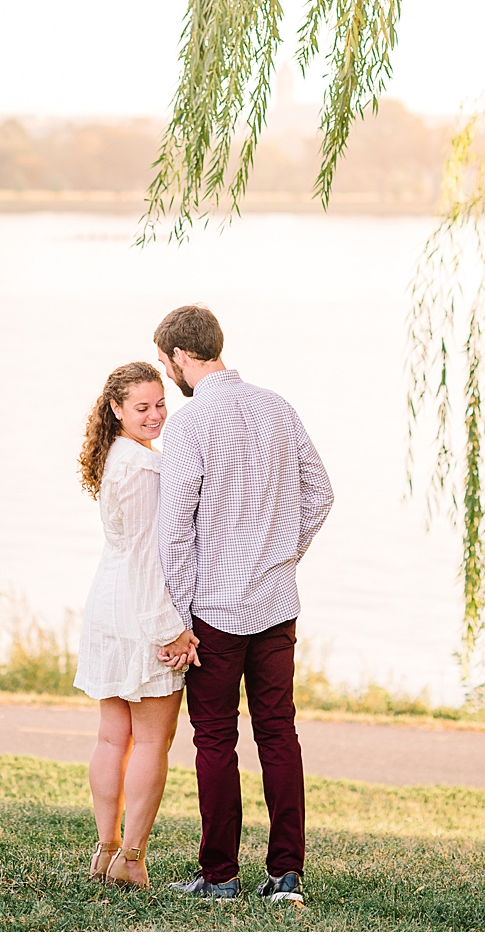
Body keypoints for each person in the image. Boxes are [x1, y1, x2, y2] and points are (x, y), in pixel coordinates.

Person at [153, 303, 333, 903]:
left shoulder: (188, 424)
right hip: (277, 603)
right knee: (279, 733)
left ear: (180, 357)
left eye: (165, 362)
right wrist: (284, 553)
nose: (168, 375)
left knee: (215, 740)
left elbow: (175, 529)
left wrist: (181, 618)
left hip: (216, 614)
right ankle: (286, 876)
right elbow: (320, 494)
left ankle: (219, 875)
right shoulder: (277, 406)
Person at [72, 360, 194, 890]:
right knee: (149, 742)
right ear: (117, 409)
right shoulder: (144, 468)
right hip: (141, 610)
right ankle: (132, 857)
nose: (155, 415)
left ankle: (104, 849)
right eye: (141, 408)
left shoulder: (116, 456)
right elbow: (148, 557)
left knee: (111, 736)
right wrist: (168, 629)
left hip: (108, 604)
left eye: (160, 404)